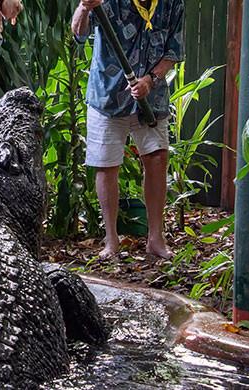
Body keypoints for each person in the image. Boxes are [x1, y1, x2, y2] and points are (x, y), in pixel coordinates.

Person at [71, 0, 185, 259]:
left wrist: (151, 79)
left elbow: (173, 51)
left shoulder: (172, 3)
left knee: (157, 157)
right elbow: (79, 33)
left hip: (151, 98)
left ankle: (156, 239)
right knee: (107, 163)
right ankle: (111, 241)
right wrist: (85, 7)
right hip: (108, 95)